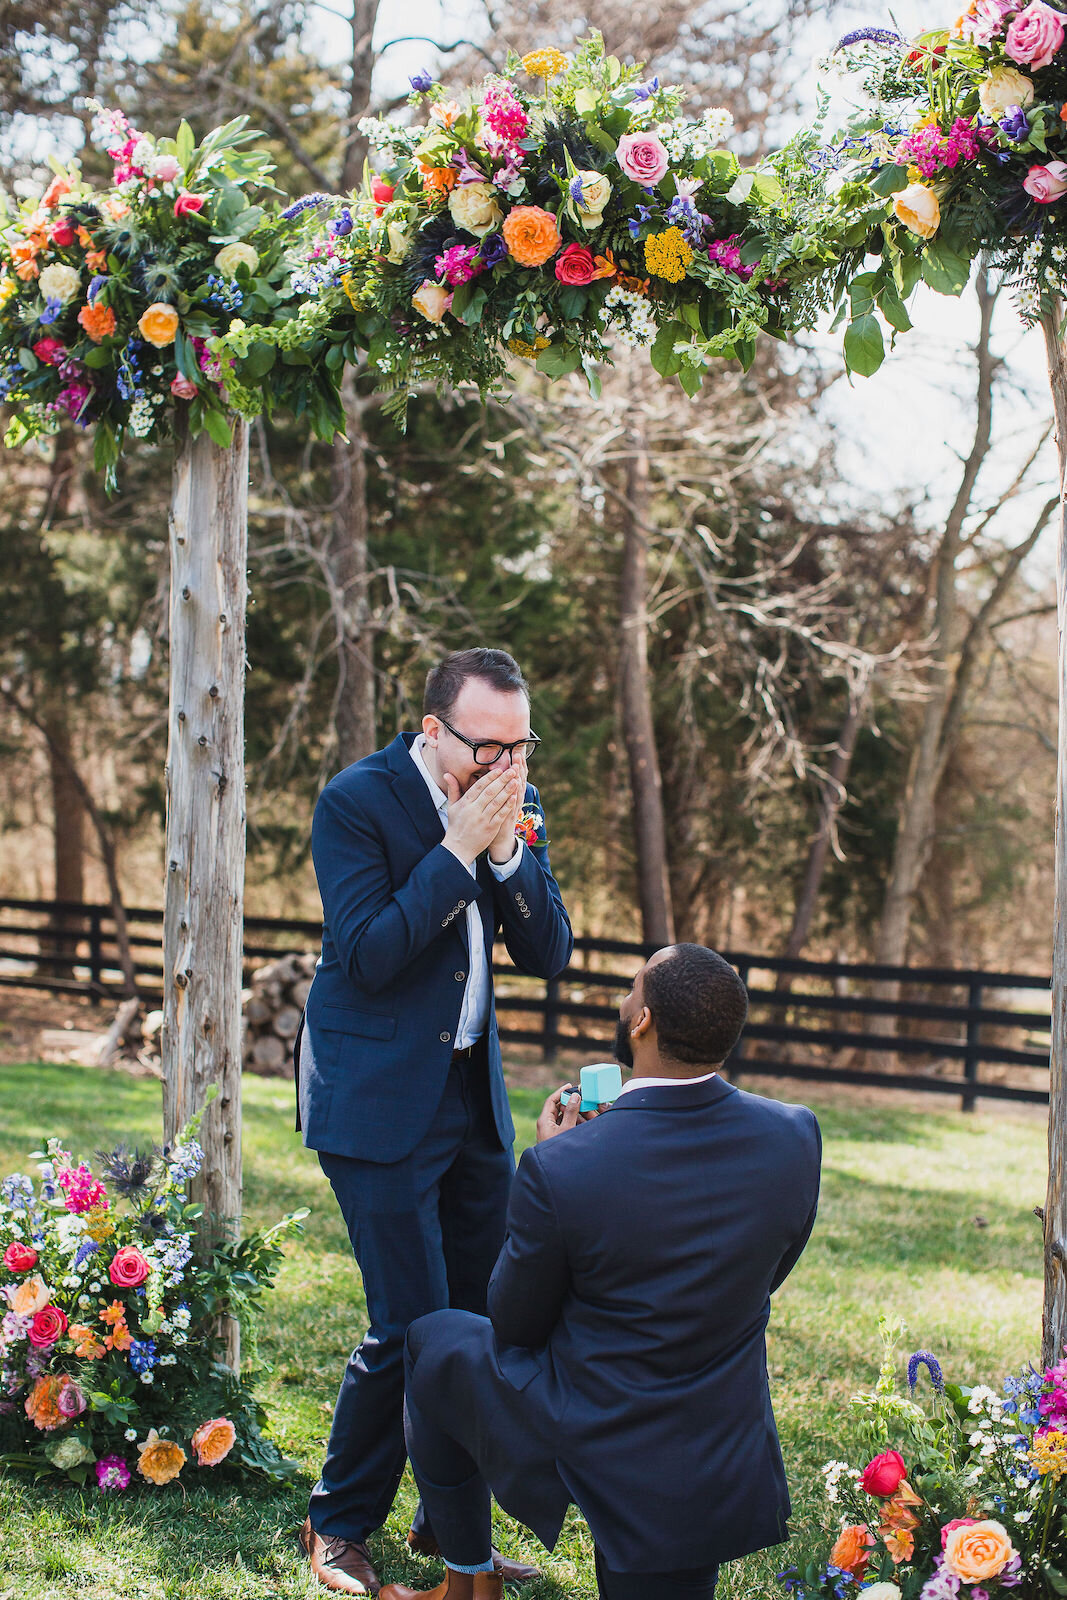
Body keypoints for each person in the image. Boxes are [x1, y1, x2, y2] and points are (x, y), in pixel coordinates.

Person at [378, 943, 822, 1600]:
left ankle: (466, 1582)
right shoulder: (794, 1133)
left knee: (435, 1338)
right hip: (717, 1432)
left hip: (592, 1422)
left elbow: (513, 1322)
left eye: (629, 987)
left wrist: (556, 1160)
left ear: (640, 1021)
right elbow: (765, 1273)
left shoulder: (565, 1165)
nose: (622, 1000)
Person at [296, 648, 574, 1596]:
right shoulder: (356, 802)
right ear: (431, 730)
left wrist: (504, 852)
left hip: (469, 1098)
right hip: (372, 1098)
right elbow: (369, 955)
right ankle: (337, 1523)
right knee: (409, 1324)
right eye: (486, 745)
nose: (506, 764)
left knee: (476, 1321)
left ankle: (445, 1521)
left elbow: (549, 950)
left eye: (520, 744)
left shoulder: (510, 800)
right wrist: (457, 849)